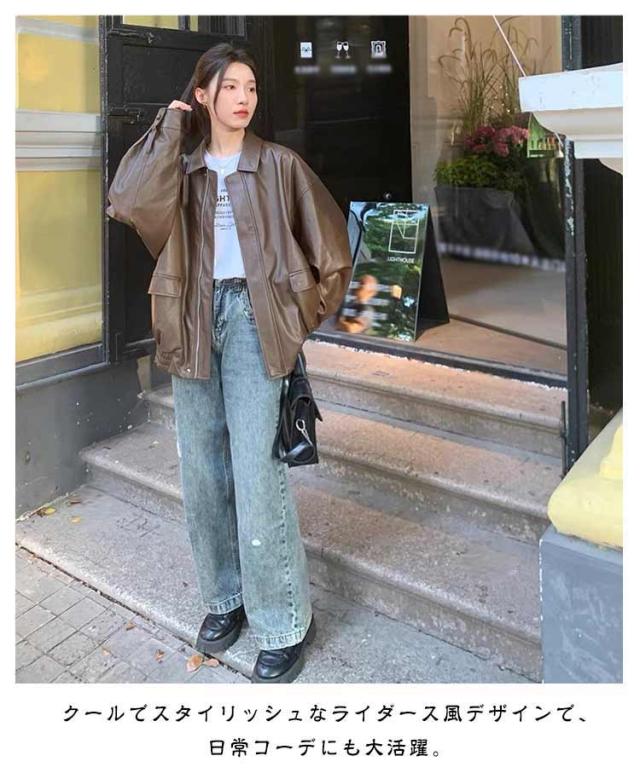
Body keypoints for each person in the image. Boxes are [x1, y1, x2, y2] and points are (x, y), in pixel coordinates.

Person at [106, 43, 353, 683]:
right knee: (203, 471)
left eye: (251, 87)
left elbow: (333, 253)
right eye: (231, 87)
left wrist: (293, 317)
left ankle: (283, 621)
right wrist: (170, 124)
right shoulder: (181, 169)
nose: (244, 98)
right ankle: (224, 598)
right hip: (191, 318)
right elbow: (128, 202)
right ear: (204, 95)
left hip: (253, 321)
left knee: (256, 472)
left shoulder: (278, 165)